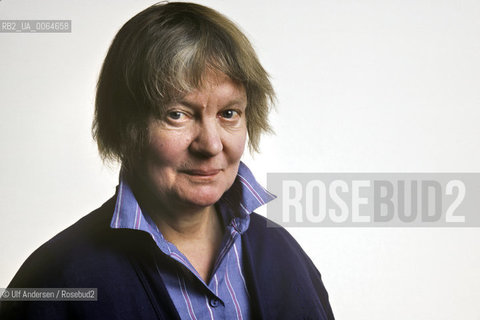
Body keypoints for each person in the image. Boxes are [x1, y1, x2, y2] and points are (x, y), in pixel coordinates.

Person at [0, 2, 334, 319]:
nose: (211, 144)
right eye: (178, 114)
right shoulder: (53, 281)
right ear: (124, 126)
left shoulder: (285, 254)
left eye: (229, 113)